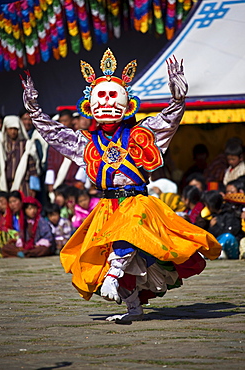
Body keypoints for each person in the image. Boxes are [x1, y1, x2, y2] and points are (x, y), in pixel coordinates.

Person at [21, 49, 221, 323]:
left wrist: (178, 98)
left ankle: (114, 277)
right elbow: (55, 134)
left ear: (128, 105)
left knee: (126, 236)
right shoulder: (87, 142)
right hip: (107, 205)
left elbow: (169, 120)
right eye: (100, 97)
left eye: (113, 96)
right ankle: (132, 306)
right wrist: (33, 110)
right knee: (101, 257)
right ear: (89, 107)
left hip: (137, 203)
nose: (106, 103)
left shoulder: (142, 133)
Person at [0, 115, 40, 196]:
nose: (13, 132)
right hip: (6, 185)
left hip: (23, 184)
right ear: (6, 129)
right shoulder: (2, 146)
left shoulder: (26, 145)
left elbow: (32, 168)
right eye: (10, 129)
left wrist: (33, 188)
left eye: (15, 129)